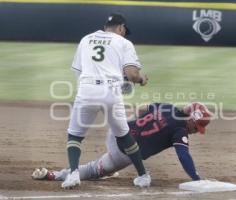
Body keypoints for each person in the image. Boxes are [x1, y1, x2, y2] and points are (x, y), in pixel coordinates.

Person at [62, 13, 149, 189]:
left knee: (75, 135)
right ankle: (142, 176)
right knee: (124, 135)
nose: (124, 34)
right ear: (120, 28)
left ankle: (73, 174)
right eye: (124, 31)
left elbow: (78, 71)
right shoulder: (124, 43)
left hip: (86, 90)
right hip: (111, 92)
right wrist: (141, 80)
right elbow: (132, 75)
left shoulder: (86, 39)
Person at [32, 102, 211, 183]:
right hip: (123, 153)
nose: (196, 131)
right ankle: (54, 175)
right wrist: (196, 178)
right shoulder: (180, 131)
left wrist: (147, 125)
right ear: (191, 118)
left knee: (129, 127)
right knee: (95, 170)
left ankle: (107, 169)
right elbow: (183, 155)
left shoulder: (168, 107)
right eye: (197, 126)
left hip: (118, 131)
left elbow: (142, 108)